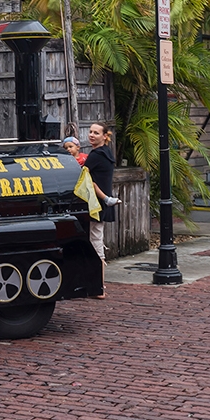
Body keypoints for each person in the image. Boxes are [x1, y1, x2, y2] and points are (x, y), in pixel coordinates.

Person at [84, 123, 118, 294]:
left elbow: (83, 177)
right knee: (96, 239)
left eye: (96, 133)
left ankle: (99, 286)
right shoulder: (107, 152)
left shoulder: (96, 155)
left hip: (95, 203)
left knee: (96, 241)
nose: (91, 135)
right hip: (101, 202)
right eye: (90, 132)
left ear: (105, 136)